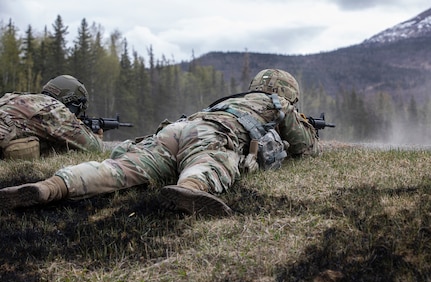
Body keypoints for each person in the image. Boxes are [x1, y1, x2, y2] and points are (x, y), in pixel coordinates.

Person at [0, 69, 320, 215]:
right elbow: (305, 146)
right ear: (287, 94)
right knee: (210, 161)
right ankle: (189, 191)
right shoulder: (277, 103)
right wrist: (308, 128)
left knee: (120, 167)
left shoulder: (229, 100)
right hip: (212, 134)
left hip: (175, 129)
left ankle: (49, 187)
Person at [0, 75, 103, 160]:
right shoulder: (55, 109)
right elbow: (94, 149)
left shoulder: (17, 97)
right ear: (71, 102)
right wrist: (96, 137)